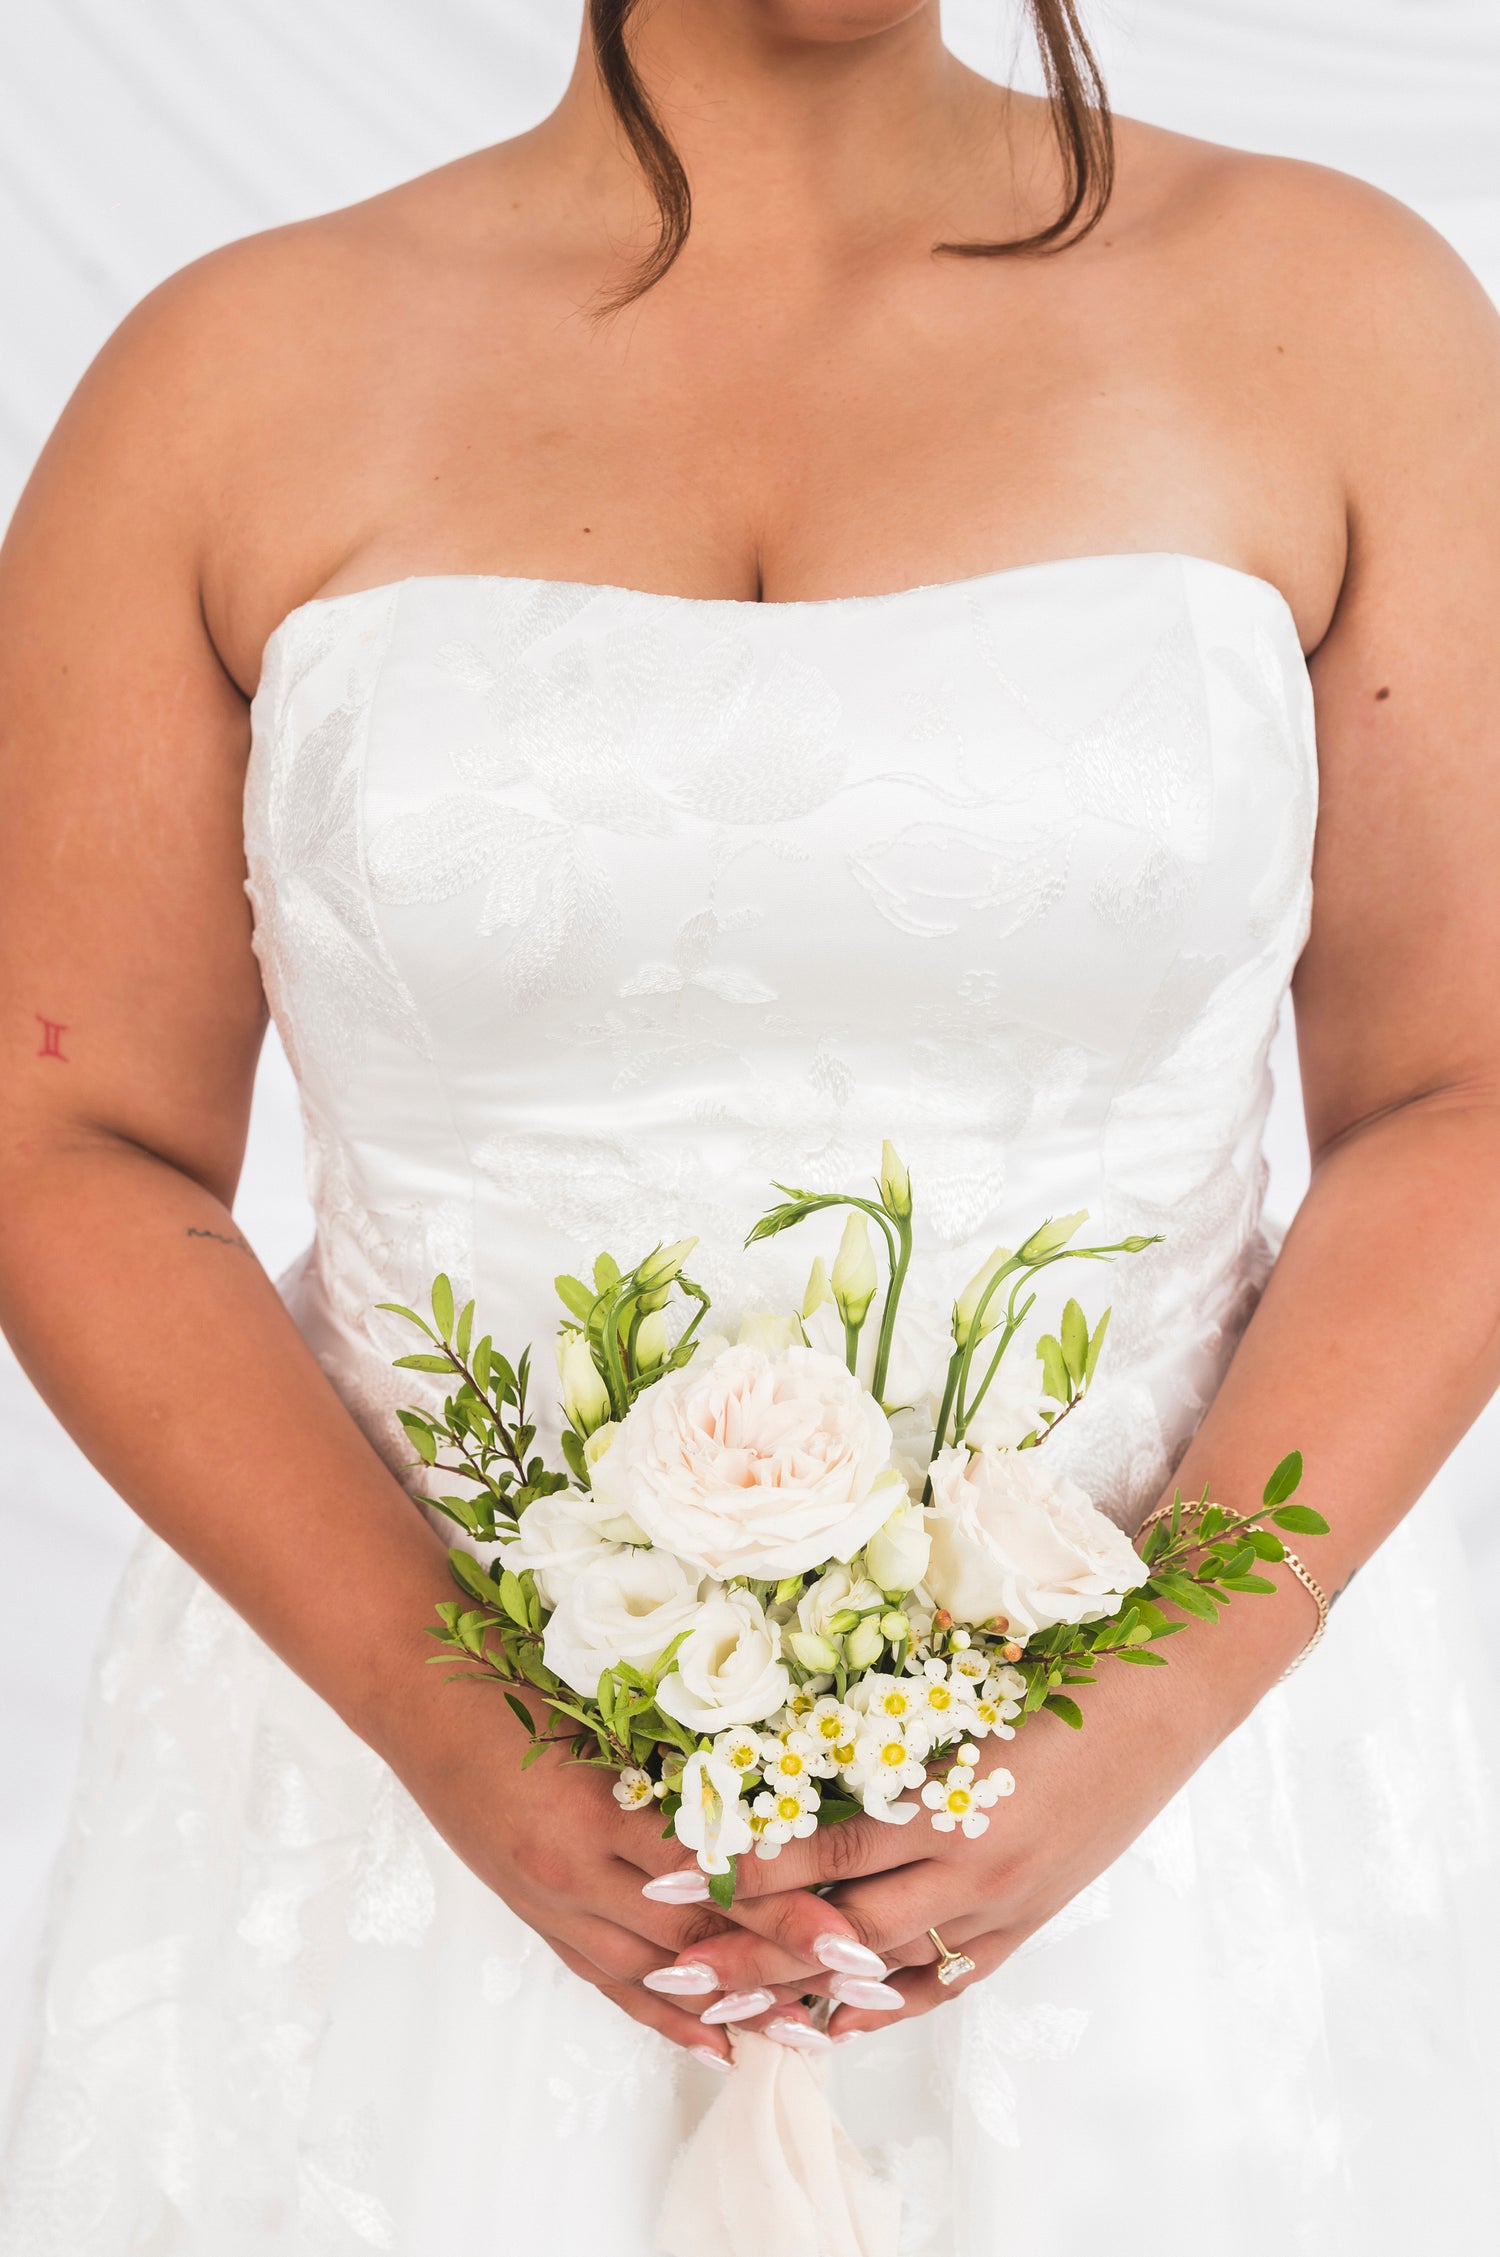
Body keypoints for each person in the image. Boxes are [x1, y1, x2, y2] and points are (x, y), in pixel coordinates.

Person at [2, 2, 1499, 2249]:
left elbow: (1460, 1090)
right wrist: (460, 1743)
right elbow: (71, 1139)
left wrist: (1147, 1718)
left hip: (1186, 1856)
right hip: (406, 1861)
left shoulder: (1345, 313)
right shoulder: (222, 375)